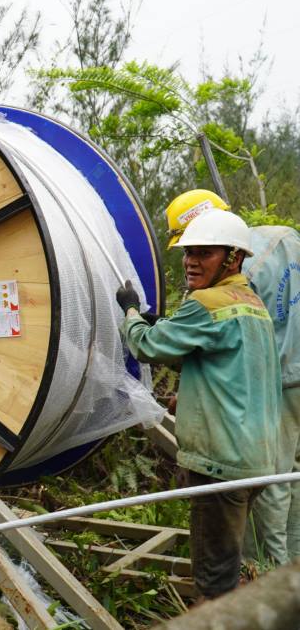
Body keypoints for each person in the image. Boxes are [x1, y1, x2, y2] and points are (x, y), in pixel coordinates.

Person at [116, 208, 281, 599]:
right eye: (188, 253)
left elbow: (145, 346)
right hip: (254, 461)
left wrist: (131, 312)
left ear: (233, 258)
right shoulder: (252, 304)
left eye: (204, 253)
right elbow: (230, 370)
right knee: (227, 562)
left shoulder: (207, 303)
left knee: (214, 583)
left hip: (218, 467)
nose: (191, 262)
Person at [167, 189, 300, 565]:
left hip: (274, 382)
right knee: (292, 473)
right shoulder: (284, 237)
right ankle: (294, 567)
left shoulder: (238, 272)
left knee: (266, 479)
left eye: (194, 246)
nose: (191, 255)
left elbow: (213, 340)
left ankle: (269, 574)